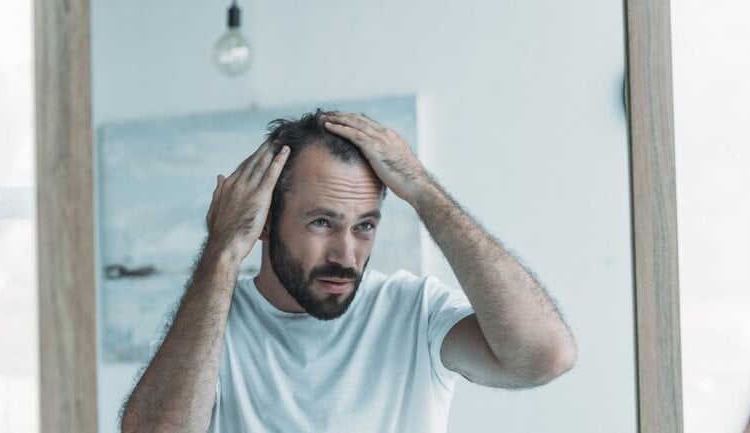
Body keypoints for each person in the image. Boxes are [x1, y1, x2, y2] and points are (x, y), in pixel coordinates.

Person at [120, 110, 578, 433]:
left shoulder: (414, 311)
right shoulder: (213, 320)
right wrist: (220, 252)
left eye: (364, 226)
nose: (346, 253)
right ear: (263, 223)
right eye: (322, 222)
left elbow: (543, 357)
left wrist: (421, 189)